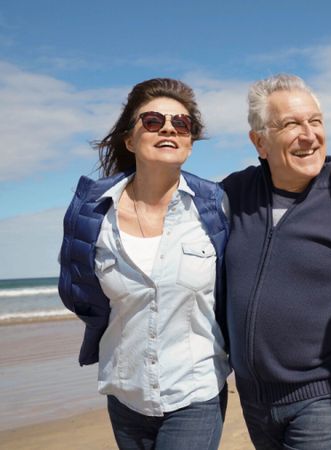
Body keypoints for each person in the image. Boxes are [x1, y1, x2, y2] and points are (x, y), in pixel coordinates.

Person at [58, 78, 230, 450]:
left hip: (196, 393)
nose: (168, 128)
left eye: (181, 124)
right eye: (152, 121)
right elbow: (79, 290)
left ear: (189, 140)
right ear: (130, 139)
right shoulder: (91, 213)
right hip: (125, 394)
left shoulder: (216, 206)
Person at [221, 74, 331, 450]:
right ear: (259, 141)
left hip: (325, 400)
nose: (309, 135)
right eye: (291, 124)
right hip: (252, 397)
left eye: (315, 121)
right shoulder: (234, 194)